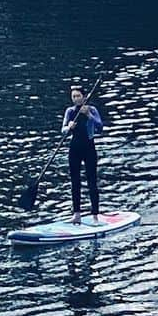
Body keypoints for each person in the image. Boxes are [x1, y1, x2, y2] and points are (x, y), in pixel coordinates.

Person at [62, 85, 102, 224]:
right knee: (75, 182)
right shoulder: (70, 111)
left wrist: (89, 116)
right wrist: (69, 127)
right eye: (73, 96)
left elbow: (100, 127)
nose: (76, 99)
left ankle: (95, 215)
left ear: (84, 97)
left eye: (78, 96)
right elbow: (63, 130)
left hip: (89, 148)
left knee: (92, 182)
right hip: (74, 149)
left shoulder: (91, 110)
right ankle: (77, 214)